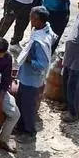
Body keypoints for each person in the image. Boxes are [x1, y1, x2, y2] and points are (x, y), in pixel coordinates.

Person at [15, 8, 54, 137]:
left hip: (31, 79)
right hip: (26, 77)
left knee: (28, 107)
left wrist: (30, 60)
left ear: (40, 21)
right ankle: (20, 127)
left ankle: (29, 132)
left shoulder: (39, 42)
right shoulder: (44, 29)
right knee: (20, 103)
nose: (30, 20)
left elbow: (42, 65)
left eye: (33, 19)